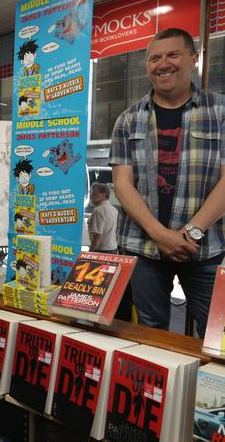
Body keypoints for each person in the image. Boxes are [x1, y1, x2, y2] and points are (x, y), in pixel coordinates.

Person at [110, 27, 225, 337]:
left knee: (218, 336)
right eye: (154, 58)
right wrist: (160, 235)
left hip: (205, 248)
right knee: (149, 334)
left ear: (194, 58)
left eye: (173, 55)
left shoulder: (221, 112)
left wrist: (190, 233)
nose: (163, 64)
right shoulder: (128, 120)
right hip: (143, 248)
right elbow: (122, 185)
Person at [87, 182, 118, 253]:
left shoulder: (98, 210)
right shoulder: (114, 210)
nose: (91, 196)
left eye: (94, 194)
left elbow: (97, 235)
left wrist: (91, 251)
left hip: (101, 250)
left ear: (104, 195)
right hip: (113, 248)